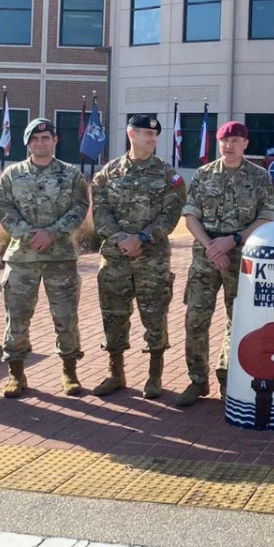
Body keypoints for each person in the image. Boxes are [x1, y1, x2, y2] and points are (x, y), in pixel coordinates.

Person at [179, 120, 274, 406]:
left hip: (242, 259)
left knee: (239, 321)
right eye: (224, 140)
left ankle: (228, 378)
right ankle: (197, 380)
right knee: (195, 320)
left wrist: (232, 240)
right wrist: (211, 245)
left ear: (245, 144)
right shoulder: (203, 175)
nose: (228, 146)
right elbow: (190, 215)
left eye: (235, 140)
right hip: (206, 258)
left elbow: (266, 217)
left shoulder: (259, 178)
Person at [90, 114, 186, 399]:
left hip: (152, 258)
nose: (152, 139)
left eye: (155, 135)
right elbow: (101, 213)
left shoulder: (170, 176)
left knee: (155, 317)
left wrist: (142, 238)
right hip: (115, 259)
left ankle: (154, 377)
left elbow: (171, 215)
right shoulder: (108, 173)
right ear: (132, 134)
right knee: (114, 316)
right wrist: (122, 239)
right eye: (147, 134)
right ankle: (115, 373)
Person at [0, 118, 91, 397]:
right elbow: (3, 207)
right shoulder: (11, 175)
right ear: (27, 143)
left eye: (45, 137)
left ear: (55, 140)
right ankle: (16, 374)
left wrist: (52, 233)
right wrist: (27, 233)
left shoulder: (71, 175)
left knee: (66, 317)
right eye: (35, 139)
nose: (40, 142)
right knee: (17, 318)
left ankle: (70, 372)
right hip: (22, 259)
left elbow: (79, 207)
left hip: (60, 258)